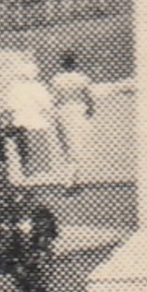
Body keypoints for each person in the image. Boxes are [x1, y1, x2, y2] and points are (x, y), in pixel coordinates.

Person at [50, 52, 93, 193]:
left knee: (66, 148)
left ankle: (71, 181)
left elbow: (54, 100)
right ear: (75, 63)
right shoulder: (82, 78)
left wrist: (54, 115)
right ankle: (72, 181)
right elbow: (89, 98)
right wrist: (89, 110)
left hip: (62, 111)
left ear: (62, 64)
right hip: (78, 109)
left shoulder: (56, 79)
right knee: (77, 146)